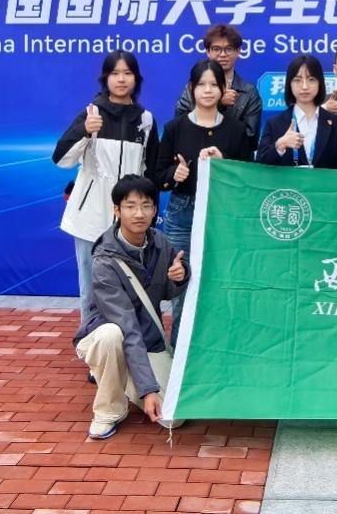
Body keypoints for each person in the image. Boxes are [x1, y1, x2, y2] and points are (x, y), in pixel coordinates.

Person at [74, 175, 188, 439]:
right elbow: (127, 325)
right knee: (111, 335)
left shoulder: (161, 243)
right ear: (117, 210)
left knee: (173, 418)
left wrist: (181, 275)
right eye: (130, 206)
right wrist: (148, 390)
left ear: (155, 210)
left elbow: (166, 291)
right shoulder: (105, 260)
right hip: (105, 334)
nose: (139, 213)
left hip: (147, 340)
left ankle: (122, 376)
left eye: (146, 206)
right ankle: (108, 410)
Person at [55, 51, 160, 327]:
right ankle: (91, 340)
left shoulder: (146, 119)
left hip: (129, 219)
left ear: (136, 79)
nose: (121, 79)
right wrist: (84, 130)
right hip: (90, 217)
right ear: (105, 78)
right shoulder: (92, 113)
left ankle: (127, 342)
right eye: (115, 73)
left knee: (129, 286)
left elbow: (150, 173)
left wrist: (147, 215)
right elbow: (62, 160)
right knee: (91, 288)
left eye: (127, 73)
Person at [157, 59, 252, 344]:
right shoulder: (175, 128)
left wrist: (225, 165)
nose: (208, 90)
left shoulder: (236, 130)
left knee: (221, 282)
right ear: (191, 88)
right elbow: (157, 174)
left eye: (214, 85)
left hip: (223, 215)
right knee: (181, 283)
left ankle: (218, 348)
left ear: (223, 89)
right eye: (201, 85)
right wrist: (174, 174)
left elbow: (247, 179)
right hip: (182, 214)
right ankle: (180, 351)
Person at [174, 24, 262, 150]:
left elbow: (250, 140)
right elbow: (179, 127)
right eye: (216, 49)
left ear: (238, 51)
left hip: (231, 161)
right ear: (208, 52)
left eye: (229, 49)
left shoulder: (249, 92)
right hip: (195, 156)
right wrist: (217, 103)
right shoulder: (192, 88)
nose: (223, 54)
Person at [257, 54, 337, 168]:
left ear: (320, 83)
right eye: (297, 80)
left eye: (311, 80)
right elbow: (260, 164)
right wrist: (280, 145)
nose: (304, 86)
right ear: (289, 84)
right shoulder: (274, 123)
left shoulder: (336, 123)